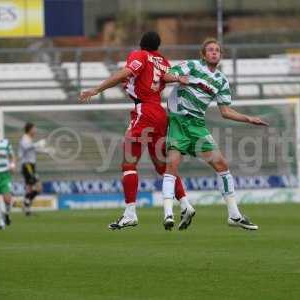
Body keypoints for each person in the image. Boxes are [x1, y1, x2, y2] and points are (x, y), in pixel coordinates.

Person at [79, 31, 194, 230]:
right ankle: (185, 203)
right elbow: (160, 77)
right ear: (158, 46)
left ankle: (130, 212)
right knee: (162, 166)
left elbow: (126, 73)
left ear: (141, 43)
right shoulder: (162, 60)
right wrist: (177, 78)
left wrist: (96, 89)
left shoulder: (139, 55)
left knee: (128, 163)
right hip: (160, 113)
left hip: (145, 111)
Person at [162, 37, 269, 230]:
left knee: (221, 164)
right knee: (172, 166)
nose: (214, 52)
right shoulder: (192, 66)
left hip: (196, 125)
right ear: (203, 54)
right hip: (179, 120)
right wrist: (178, 78)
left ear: (220, 55)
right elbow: (166, 75)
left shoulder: (221, 80)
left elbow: (225, 111)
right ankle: (168, 214)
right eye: (210, 50)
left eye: (217, 50)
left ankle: (234, 216)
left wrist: (248, 118)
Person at [18, 122, 46, 216]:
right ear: (29, 130)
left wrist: (45, 151)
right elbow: (26, 147)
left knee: (29, 189)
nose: (35, 130)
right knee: (39, 187)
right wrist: (38, 144)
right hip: (27, 165)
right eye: (34, 129)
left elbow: (32, 149)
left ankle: (27, 210)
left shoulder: (29, 139)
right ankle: (25, 203)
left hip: (30, 165)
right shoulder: (24, 138)